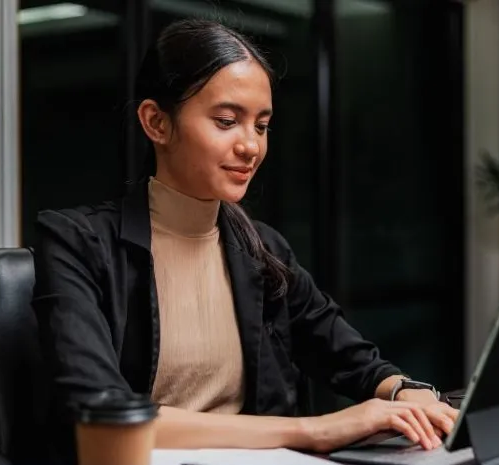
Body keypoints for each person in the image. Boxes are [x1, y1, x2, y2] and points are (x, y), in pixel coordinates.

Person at [31, 18, 459, 464]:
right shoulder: (76, 242)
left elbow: (353, 361)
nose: (251, 146)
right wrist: (315, 430)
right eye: (227, 121)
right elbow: (104, 413)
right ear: (156, 122)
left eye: (261, 125)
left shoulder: (262, 248)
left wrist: (408, 393)